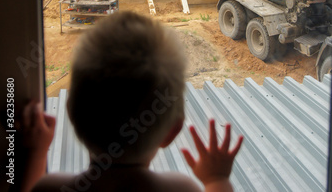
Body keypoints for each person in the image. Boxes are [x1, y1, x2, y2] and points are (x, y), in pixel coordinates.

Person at [20, 11, 243, 192]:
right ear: (172, 131)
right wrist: (217, 179)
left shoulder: (47, 188)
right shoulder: (181, 188)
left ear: (69, 113)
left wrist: (34, 153)